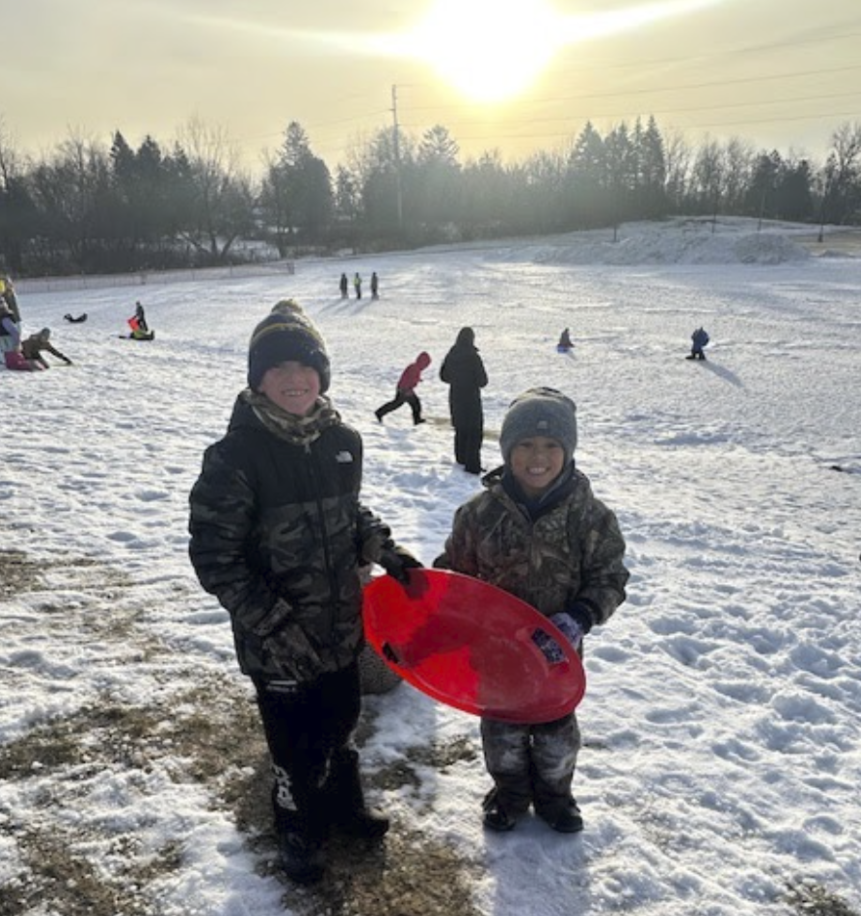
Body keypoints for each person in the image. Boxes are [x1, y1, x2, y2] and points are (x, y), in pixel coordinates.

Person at [189, 299, 422, 885]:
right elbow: (215, 557)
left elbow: (350, 513)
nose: (294, 380)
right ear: (257, 381)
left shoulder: (341, 440)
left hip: (341, 623)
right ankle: (296, 820)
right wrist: (273, 622)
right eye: (277, 370)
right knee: (294, 742)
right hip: (278, 639)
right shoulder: (234, 457)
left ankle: (342, 802)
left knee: (341, 717)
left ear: (322, 376)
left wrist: (383, 549)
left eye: (305, 368)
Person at [436, 387, 629, 834]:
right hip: (495, 655)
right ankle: (509, 794)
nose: (536, 457)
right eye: (524, 445)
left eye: (550, 446)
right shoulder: (478, 514)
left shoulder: (591, 518)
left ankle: (555, 796)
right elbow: (456, 576)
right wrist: (438, 609)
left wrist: (580, 616)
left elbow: (610, 579)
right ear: (507, 450)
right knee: (501, 736)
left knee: (556, 737)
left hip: (557, 656)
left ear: (567, 451)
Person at [439, 326, 488, 475]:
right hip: (471, 398)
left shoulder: (451, 354)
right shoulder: (473, 356)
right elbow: (482, 381)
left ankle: (460, 459)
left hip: (455, 397)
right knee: (474, 431)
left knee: (460, 429)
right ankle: (472, 466)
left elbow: (443, 376)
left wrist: (456, 379)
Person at [375, 352, 431, 425]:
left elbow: (409, 377)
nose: (426, 367)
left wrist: (417, 379)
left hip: (404, 389)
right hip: (404, 389)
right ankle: (379, 412)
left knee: (403, 403)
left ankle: (379, 412)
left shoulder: (415, 367)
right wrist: (407, 390)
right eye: (426, 365)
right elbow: (408, 380)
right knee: (411, 403)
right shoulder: (414, 368)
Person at [0, 297, 42, 371]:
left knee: (13, 362)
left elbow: (14, 332)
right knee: (10, 362)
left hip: (9, 342)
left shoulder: (4, 318)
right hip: (4, 342)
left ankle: (35, 366)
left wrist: (17, 344)